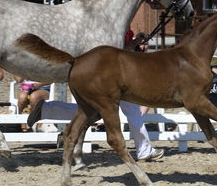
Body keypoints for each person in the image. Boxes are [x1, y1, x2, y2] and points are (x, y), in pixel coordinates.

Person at [27, 31, 164, 161]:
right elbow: (116, 53)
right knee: (126, 111)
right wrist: (134, 44)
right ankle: (144, 150)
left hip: (115, 76)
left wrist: (136, 44)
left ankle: (47, 109)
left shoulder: (126, 29)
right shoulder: (116, 27)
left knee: (92, 111)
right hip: (111, 78)